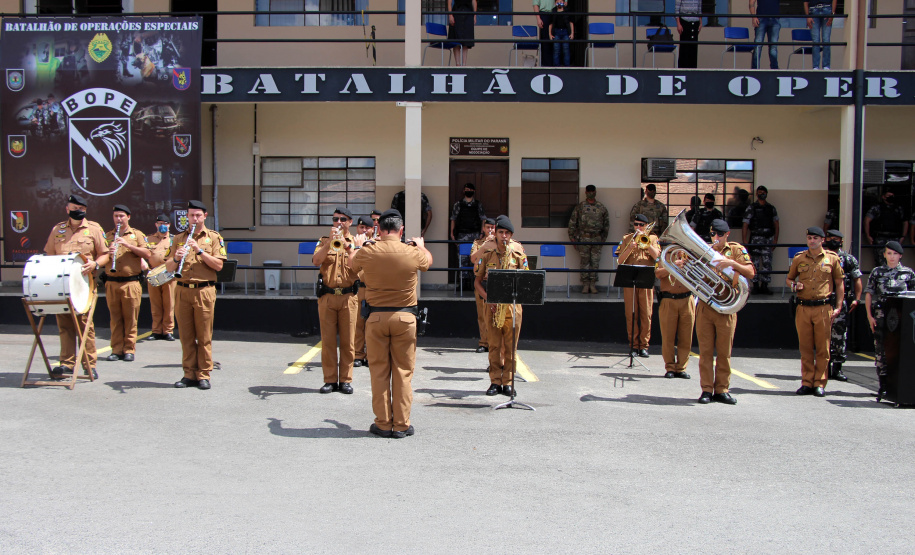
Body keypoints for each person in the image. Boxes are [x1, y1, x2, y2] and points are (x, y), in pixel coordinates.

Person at [350, 209, 432, 439]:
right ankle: (402, 425)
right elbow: (428, 263)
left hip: (375, 318)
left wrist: (358, 245)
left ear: (379, 229)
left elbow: (351, 265)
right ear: (401, 230)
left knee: (379, 372)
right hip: (405, 318)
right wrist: (420, 244)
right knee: (403, 373)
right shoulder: (411, 251)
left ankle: (383, 423)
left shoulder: (369, 250)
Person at [45, 194, 109, 380]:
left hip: (84, 286)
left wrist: (95, 264)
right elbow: (49, 254)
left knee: (85, 325)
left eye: (81, 209)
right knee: (64, 325)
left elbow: (104, 254)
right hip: (62, 285)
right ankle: (66, 363)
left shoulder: (94, 229)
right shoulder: (57, 229)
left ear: (85, 210)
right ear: (67, 209)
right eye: (74, 208)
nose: (78, 211)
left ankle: (89, 364)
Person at [164, 200, 226, 390]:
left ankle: (204, 374)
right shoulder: (178, 238)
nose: (194, 218)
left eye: (198, 215)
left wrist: (199, 251)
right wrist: (176, 258)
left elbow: (219, 265)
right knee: (186, 335)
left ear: (205, 216)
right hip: (182, 289)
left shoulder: (214, 238)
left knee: (204, 335)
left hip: (204, 291)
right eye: (191, 215)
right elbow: (167, 267)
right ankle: (188, 373)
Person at [695, 219, 756, 404]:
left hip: (727, 305)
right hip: (706, 304)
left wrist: (731, 263)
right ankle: (706, 389)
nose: (715, 238)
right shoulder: (704, 249)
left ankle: (721, 389)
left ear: (727, 234)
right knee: (705, 352)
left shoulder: (736, 250)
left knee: (724, 352)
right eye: (713, 234)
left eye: (719, 235)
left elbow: (751, 272)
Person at [786, 226, 844, 398]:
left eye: (815, 238)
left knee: (822, 348)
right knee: (805, 347)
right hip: (803, 306)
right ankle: (807, 382)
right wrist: (794, 286)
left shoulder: (831, 259)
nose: (812, 241)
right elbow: (789, 279)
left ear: (822, 240)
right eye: (810, 238)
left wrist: (839, 306)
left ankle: (819, 382)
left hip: (823, 307)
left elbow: (839, 283)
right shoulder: (799, 258)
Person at [474, 215, 529, 396]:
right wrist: (488, 298)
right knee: (495, 347)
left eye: (507, 233)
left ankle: (508, 382)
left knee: (510, 348)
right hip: (492, 307)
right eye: (500, 232)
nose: (504, 236)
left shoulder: (519, 254)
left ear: (511, 235)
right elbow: (477, 282)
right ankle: (495, 381)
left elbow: (527, 281)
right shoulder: (488, 254)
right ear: (495, 234)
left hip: (512, 308)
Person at [312, 208, 359, 394]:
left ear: (350, 222)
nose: (338, 222)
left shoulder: (356, 242)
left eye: (342, 219)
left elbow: (358, 267)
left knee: (348, 342)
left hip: (348, 296)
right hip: (328, 296)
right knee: (328, 341)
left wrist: (349, 249)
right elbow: (316, 261)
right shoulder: (324, 240)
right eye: (335, 219)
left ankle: (345, 380)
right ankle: (330, 380)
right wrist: (329, 244)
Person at [864, 241, 915, 399]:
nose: (892, 257)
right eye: (889, 253)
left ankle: (900, 385)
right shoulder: (877, 272)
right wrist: (869, 315)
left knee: (900, 350)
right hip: (882, 316)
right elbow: (869, 293)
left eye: (895, 254)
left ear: (900, 255)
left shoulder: (908, 273)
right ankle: (883, 385)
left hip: (902, 318)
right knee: (881, 351)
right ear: (884, 254)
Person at [102, 204, 150, 363]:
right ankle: (116, 350)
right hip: (112, 282)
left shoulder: (137, 235)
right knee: (115, 318)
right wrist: (107, 253)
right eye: (116, 216)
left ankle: (129, 349)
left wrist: (128, 245)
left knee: (130, 318)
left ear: (128, 217)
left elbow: (147, 253)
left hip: (131, 283)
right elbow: (100, 258)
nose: (119, 219)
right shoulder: (107, 236)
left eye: (122, 216)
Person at [618, 214, 661, 357]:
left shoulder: (653, 238)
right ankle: (633, 345)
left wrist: (647, 244)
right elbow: (620, 261)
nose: (638, 227)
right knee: (631, 313)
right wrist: (630, 248)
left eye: (641, 225)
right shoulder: (626, 238)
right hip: (630, 280)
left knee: (646, 313)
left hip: (646, 279)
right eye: (636, 224)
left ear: (646, 226)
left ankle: (644, 345)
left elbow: (657, 257)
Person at [823, 230, 861, 382]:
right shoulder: (820, 257)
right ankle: (823, 368)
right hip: (823, 300)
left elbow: (857, 279)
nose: (833, 241)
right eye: (831, 239)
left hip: (840, 301)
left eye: (837, 239)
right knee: (822, 336)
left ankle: (837, 368)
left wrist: (857, 299)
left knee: (839, 335)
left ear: (842, 242)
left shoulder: (848, 259)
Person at [655, 250, 695, 380]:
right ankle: (670, 367)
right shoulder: (664, 255)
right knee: (668, 337)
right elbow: (658, 274)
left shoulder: (691, 255)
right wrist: (673, 266)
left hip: (687, 299)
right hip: (669, 300)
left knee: (686, 336)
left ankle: (681, 367)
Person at [568, 184, 610, 294]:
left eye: (593, 191)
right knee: (584, 262)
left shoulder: (601, 207)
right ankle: (585, 284)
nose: (591, 193)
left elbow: (606, 226)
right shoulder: (580, 207)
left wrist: (603, 240)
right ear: (586, 193)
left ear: (595, 192)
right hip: (583, 239)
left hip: (596, 239)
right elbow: (572, 223)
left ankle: (593, 284)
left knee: (595, 263)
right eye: (589, 191)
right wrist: (572, 238)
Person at [742, 185, 779, 294]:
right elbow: (745, 224)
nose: (761, 194)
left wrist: (775, 240)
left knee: (767, 263)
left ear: (766, 194)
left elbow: (776, 224)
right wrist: (745, 241)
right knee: (755, 263)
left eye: (763, 192)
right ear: (756, 194)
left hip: (768, 239)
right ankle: (756, 286)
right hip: (755, 239)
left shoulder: (771, 208)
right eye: (759, 192)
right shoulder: (752, 208)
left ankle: (765, 286)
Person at [146, 213, 177, 341]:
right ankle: (156, 330)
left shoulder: (174, 239)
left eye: (165, 224)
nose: (162, 226)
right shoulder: (148, 239)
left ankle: (168, 330)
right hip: (153, 274)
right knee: (155, 304)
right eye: (160, 224)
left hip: (169, 275)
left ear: (169, 225)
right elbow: (144, 254)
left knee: (169, 303)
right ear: (156, 225)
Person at [450, 182, 485, 288]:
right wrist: (452, 233)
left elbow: (483, 219)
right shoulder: (458, 204)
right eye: (466, 189)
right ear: (463, 191)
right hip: (462, 234)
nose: (468, 191)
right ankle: (463, 283)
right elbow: (453, 219)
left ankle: (474, 283)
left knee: (475, 258)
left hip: (475, 235)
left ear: (474, 191)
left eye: (470, 190)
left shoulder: (478, 204)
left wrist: (482, 233)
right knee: (462, 259)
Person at [470, 217, 497, 353]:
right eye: (488, 227)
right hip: (482, 281)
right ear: (483, 228)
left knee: (496, 314)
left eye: (492, 227)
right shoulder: (478, 242)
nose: (490, 230)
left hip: (496, 281)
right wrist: (484, 246)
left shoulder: (499, 243)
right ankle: (484, 342)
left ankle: (494, 343)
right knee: (482, 314)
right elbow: (473, 258)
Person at [353, 215, 375, 368]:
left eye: (367, 228)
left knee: (372, 324)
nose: (364, 230)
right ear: (357, 228)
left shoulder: (378, 244)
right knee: (358, 323)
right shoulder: (354, 243)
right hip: (358, 288)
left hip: (373, 288)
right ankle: (358, 355)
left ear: (373, 229)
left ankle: (370, 355)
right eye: (361, 228)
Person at [864, 191, 908, 266]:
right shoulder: (877, 208)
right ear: (883, 197)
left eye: (892, 196)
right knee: (881, 262)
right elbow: (867, 220)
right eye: (888, 196)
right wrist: (868, 235)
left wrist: (903, 236)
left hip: (895, 238)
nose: (891, 197)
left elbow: (905, 222)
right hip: (881, 238)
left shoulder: (898, 208)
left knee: (895, 261)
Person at [805, 0, 837, 70]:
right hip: (814, 10)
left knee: (826, 40)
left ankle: (826, 66)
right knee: (816, 41)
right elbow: (805, 2)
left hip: (826, 10)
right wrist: (807, 16)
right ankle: (816, 66)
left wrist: (832, 14)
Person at [750, 0, 781, 69]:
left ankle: (774, 69)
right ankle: (755, 69)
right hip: (761, 18)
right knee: (758, 45)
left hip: (775, 19)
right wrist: (753, 17)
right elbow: (751, 2)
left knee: (773, 46)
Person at [447, 0, 476, 67]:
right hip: (457, 12)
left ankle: (464, 64)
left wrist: (474, 15)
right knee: (456, 39)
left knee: (466, 40)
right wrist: (450, 15)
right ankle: (457, 64)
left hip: (468, 13)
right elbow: (449, 2)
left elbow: (474, 1)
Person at [675, 0, 702, 68]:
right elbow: (677, 10)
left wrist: (700, 23)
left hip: (695, 21)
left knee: (693, 47)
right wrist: (678, 24)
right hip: (684, 20)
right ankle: (682, 69)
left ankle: (693, 69)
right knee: (684, 47)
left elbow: (699, 9)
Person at [549, 0, 573, 67]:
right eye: (557, 2)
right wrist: (550, 34)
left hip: (566, 32)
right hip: (556, 32)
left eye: (561, 1)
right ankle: (556, 66)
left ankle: (567, 66)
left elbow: (571, 22)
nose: (559, 3)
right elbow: (550, 24)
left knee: (566, 49)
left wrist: (572, 33)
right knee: (556, 50)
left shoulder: (567, 11)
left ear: (564, 2)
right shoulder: (553, 11)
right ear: (555, 3)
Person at [533, 0, 555, 67]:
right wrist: (538, 18)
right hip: (544, 14)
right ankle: (546, 65)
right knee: (545, 39)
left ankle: (556, 64)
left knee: (555, 38)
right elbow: (535, 4)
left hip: (555, 13)